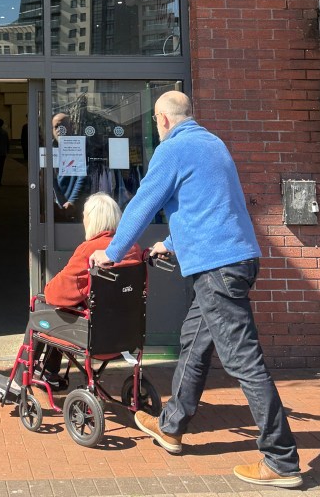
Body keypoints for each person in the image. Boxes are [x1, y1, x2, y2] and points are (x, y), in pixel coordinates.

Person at [89, 91, 302, 489]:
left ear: (163, 120)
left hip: (217, 268)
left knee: (243, 361)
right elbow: (210, 207)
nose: (156, 128)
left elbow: (141, 205)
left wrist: (112, 252)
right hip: (233, 260)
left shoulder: (172, 150)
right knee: (193, 341)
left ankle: (281, 460)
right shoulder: (213, 143)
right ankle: (170, 427)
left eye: (155, 122)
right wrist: (169, 244)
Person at [0, 193, 141, 394]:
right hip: (125, 333)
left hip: (94, 334)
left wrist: (48, 292)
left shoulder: (90, 250)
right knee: (59, 312)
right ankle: (50, 373)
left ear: (91, 220)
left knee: (42, 309)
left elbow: (57, 293)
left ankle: (19, 381)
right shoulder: (133, 248)